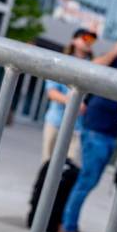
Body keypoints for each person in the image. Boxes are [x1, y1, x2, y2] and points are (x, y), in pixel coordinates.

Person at [52, 29, 117, 232]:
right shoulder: (109, 62)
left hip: (113, 134)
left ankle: (69, 225)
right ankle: (67, 228)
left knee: (90, 180)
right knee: (86, 180)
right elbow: (92, 69)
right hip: (95, 131)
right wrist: (115, 50)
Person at [40, 27, 97, 164]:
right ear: (74, 40)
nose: (88, 42)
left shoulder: (94, 67)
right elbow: (51, 92)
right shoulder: (61, 61)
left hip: (77, 127)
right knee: (47, 164)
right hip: (56, 122)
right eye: (85, 38)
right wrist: (72, 102)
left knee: (68, 169)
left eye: (92, 39)